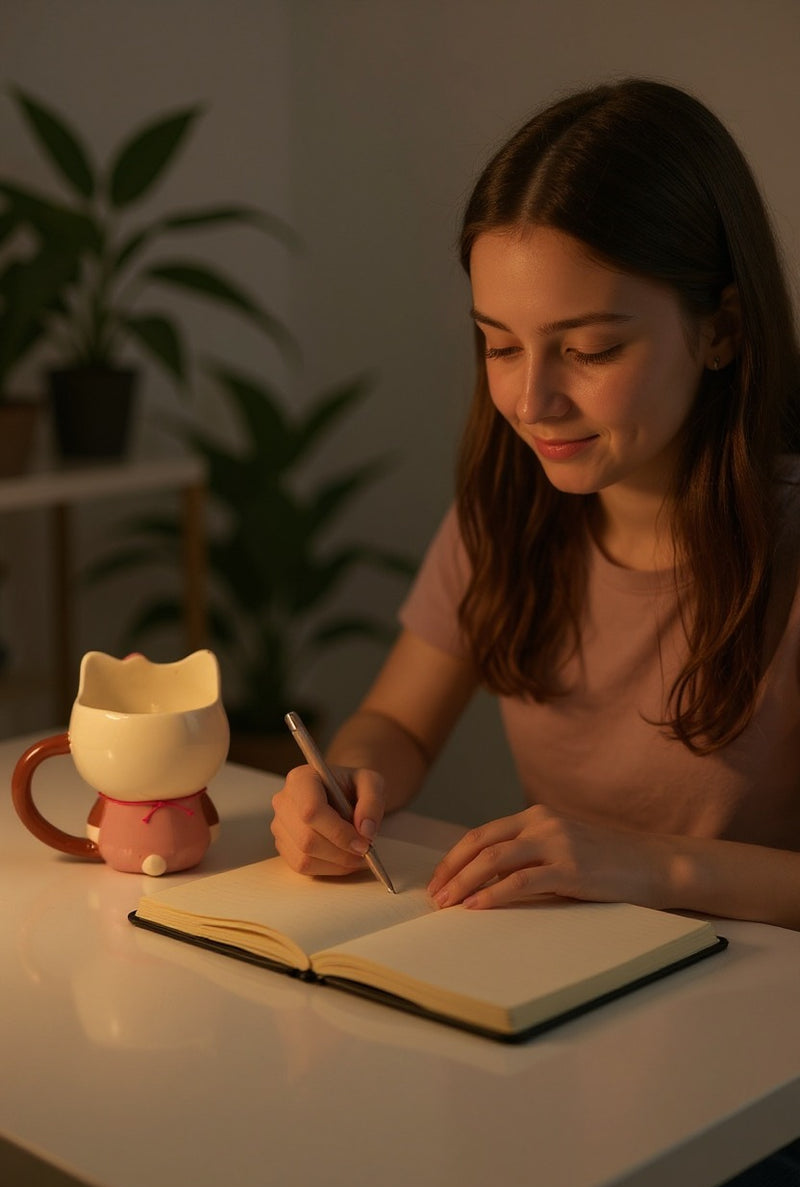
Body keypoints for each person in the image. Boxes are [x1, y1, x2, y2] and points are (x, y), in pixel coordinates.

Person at [271, 78, 800, 933]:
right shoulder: (510, 510)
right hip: (568, 996)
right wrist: (347, 783)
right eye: (499, 346)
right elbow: (398, 724)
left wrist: (644, 862)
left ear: (722, 330)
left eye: (590, 350)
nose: (531, 400)